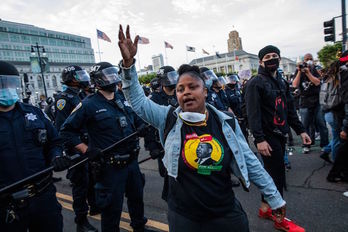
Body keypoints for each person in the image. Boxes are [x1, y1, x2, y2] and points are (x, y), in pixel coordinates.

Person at [118, 25, 287, 232]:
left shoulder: (226, 122)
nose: (186, 92)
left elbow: (250, 161)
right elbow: (137, 101)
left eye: (192, 87)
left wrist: (274, 198)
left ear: (205, 92)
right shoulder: (168, 118)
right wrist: (128, 65)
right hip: (184, 216)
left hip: (224, 213)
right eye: (180, 89)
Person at [60, 61, 148, 232]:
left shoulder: (121, 99)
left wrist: (141, 126)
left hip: (132, 163)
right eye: (108, 75)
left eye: (113, 74)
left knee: (137, 199)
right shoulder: (88, 104)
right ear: (98, 80)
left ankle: (139, 227)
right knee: (111, 209)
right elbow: (66, 131)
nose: (113, 78)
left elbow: (134, 118)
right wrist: (86, 150)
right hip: (110, 168)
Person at [245, 45, 311, 232]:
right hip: (267, 137)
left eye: (275, 55)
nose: (272, 58)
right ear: (260, 61)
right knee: (276, 178)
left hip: (280, 135)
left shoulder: (280, 82)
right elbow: (253, 114)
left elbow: (289, 110)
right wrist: (259, 139)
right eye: (267, 56)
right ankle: (280, 219)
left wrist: (301, 131)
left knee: (273, 176)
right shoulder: (255, 83)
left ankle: (265, 209)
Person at [0, 60, 69, 232]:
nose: (6, 88)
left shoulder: (34, 113)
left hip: (43, 197)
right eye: (1, 84)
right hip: (7, 204)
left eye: (10, 83)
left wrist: (56, 156)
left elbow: (54, 141)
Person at [54, 65, 98, 232]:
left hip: (86, 145)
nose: (82, 77)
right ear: (70, 78)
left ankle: (94, 206)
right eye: (78, 75)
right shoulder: (63, 99)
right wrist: (76, 148)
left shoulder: (81, 95)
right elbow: (62, 129)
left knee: (92, 179)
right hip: (75, 148)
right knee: (80, 184)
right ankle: (81, 222)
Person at [144, 66, 179, 201]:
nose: (172, 80)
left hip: (182, 141)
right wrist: (152, 147)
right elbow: (148, 125)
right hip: (163, 145)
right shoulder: (154, 98)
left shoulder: (180, 93)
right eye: (168, 78)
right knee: (168, 174)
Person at [292, 53, 328, 153]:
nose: (309, 61)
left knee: (321, 124)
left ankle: (324, 145)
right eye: (307, 59)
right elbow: (294, 84)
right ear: (303, 60)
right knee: (305, 125)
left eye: (310, 59)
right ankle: (306, 145)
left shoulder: (314, 69)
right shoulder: (298, 71)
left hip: (317, 102)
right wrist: (299, 71)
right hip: (304, 101)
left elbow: (317, 82)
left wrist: (308, 72)